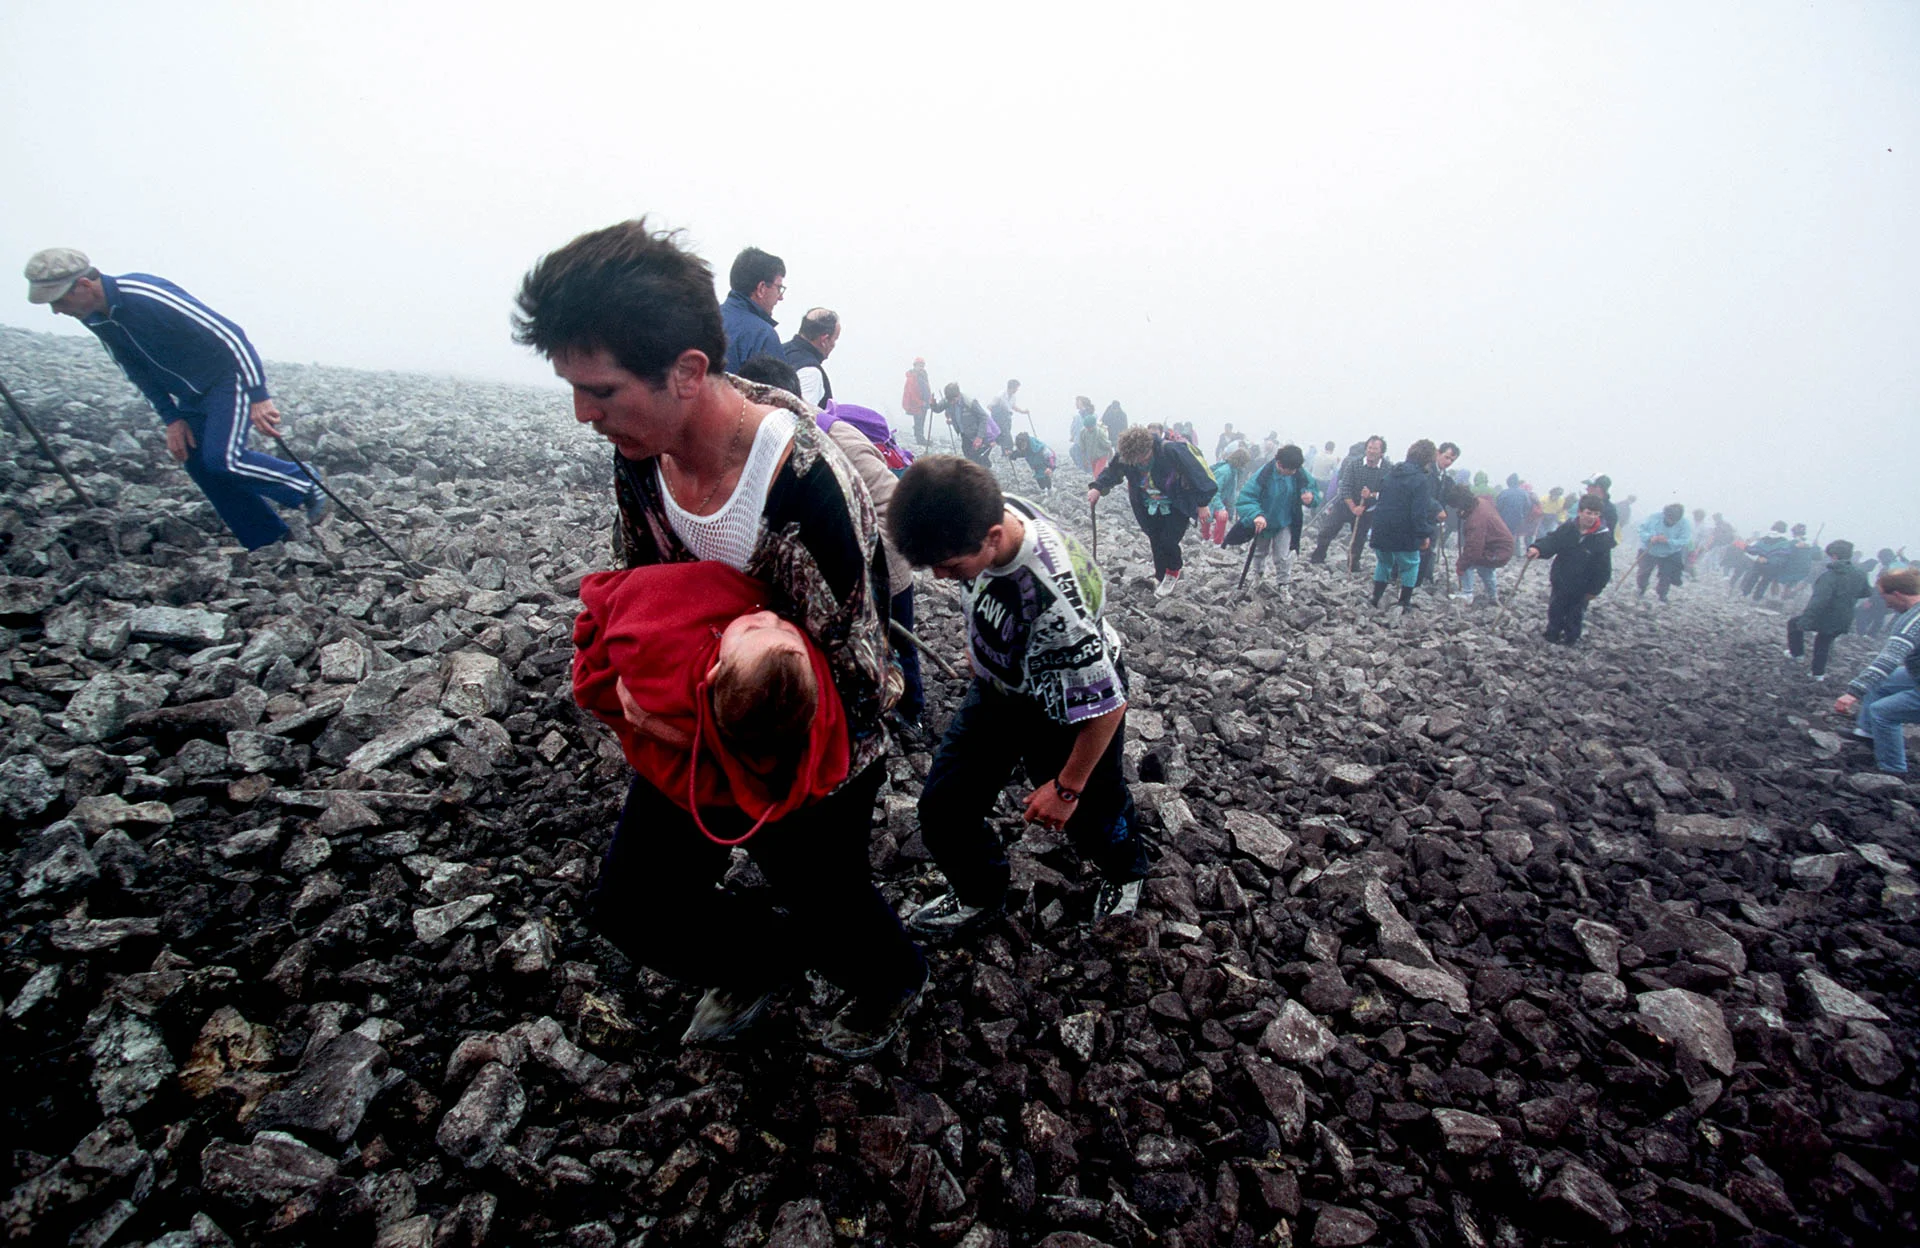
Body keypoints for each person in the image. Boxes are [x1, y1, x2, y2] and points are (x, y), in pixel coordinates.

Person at [513, 219, 924, 1059]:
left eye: (600, 391)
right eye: (575, 391)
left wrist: (707, 734)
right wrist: (642, 689)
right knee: (634, 907)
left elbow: (854, 676)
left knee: (825, 893)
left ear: (689, 371)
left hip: (816, 739)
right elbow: (644, 584)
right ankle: (760, 961)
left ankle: (892, 979)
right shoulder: (643, 446)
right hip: (702, 708)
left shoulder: (802, 488)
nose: (585, 416)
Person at [887, 456, 1148, 935]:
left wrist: (1067, 788)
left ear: (992, 537)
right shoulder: (990, 507)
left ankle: (1126, 871)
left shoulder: (1053, 602)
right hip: (998, 690)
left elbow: (1109, 704)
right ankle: (980, 893)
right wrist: (983, 648)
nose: (942, 578)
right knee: (944, 807)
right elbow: (980, 588)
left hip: (1067, 705)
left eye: (950, 567)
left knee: (1093, 811)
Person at [24, 248, 327, 551]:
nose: (57, 310)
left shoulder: (145, 295)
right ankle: (266, 540)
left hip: (225, 380)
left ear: (84, 285)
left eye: (59, 300)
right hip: (189, 396)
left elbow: (230, 335)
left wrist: (258, 395)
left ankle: (304, 481)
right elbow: (135, 369)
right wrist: (171, 418)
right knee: (198, 463)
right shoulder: (93, 317)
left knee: (224, 459)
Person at [573, 562, 848, 837]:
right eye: (784, 630)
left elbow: (607, 605)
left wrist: (696, 739)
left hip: (691, 784)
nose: (768, 617)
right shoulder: (801, 687)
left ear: (717, 672)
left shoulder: (673, 665)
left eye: (753, 630)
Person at [736, 355, 925, 734]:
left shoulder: (837, 437)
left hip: (885, 567)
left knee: (895, 642)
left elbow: (892, 502)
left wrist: (871, 572)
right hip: (835, 568)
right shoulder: (766, 440)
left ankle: (911, 714)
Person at [1089, 426, 1216, 598]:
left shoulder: (1171, 451)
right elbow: (1113, 472)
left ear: (1150, 447)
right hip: (1146, 504)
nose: (1140, 462)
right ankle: (1160, 576)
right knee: (1155, 539)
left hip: (1176, 504)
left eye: (1143, 458)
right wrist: (1098, 487)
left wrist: (1202, 504)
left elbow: (1199, 474)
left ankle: (1173, 571)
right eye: (1136, 461)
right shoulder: (1127, 456)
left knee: (1168, 540)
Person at [1833, 568, 1920, 777]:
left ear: (1898, 594)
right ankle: (1867, 733)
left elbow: (1889, 659)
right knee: (1881, 682)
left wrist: (1853, 692)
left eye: (1884, 597)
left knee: (1883, 712)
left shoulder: (1911, 622)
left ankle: (1893, 772)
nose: (1885, 603)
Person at [1525, 495, 1614, 644]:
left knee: (1575, 613)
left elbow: (1604, 568)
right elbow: (1553, 541)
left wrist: (1595, 590)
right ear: (1580, 512)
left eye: (1596, 514)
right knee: (1555, 608)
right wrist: (1538, 548)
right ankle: (1552, 635)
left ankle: (1571, 639)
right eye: (1588, 513)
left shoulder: (1602, 537)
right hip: (1561, 578)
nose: (1592, 517)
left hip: (1583, 585)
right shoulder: (1569, 527)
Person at [1234, 444, 1318, 595]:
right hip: (1264, 521)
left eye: (1295, 470)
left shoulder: (1298, 473)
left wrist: (1311, 498)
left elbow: (1313, 489)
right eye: (1290, 470)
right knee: (1259, 552)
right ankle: (1257, 577)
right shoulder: (1264, 475)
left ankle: (1283, 584)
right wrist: (1256, 514)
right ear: (1279, 464)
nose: (1293, 473)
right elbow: (1246, 498)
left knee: (1283, 555)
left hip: (1285, 522)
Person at [1368, 440, 1438, 611]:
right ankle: (1404, 602)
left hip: (1382, 526)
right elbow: (1418, 512)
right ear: (1428, 459)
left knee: (1384, 562)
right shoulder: (1420, 480)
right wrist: (1424, 533)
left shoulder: (1391, 473)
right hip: (1404, 531)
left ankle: (1375, 597)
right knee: (1411, 564)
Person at [1787, 541, 1871, 681]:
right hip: (1845, 616)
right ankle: (1818, 674)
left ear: (1834, 556)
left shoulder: (1830, 576)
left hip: (1826, 614)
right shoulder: (1861, 574)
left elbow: (1819, 600)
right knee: (1824, 642)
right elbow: (1866, 592)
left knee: (1794, 624)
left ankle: (1797, 654)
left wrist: (1807, 619)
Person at [1309, 436, 1387, 569]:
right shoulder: (1354, 464)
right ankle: (1318, 557)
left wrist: (1371, 495)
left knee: (1359, 538)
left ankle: (1353, 563)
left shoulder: (1386, 468)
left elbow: (1386, 491)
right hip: (1345, 504)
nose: (1371, 451)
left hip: (1367, 509)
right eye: (1369, 448)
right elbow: (1345, 487)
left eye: (1375, 449)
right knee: (1327, 530)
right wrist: (1353, 507)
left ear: (1381, 452)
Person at [719, 246, 785, 372]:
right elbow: (778, 391)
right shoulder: (763, 336)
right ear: (761, 288)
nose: (780, 297)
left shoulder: (704, 321)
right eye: (779, 288)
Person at [1452, 478, 1514, 605]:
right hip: (1502, 546)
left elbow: (1473, 550)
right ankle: (1492, 596)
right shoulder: (1481, 502)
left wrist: (1461, 565)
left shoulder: (1476, 521)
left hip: (1496, 550)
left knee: (1469, 564)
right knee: (1485, 568)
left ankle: (1467, 593)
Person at [1418, 442, 1461, 590]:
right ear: (1438, 454)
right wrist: (1437, 508)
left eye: (1452, 460)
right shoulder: (1426, 472)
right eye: (1446, 457)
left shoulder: (1446, 479)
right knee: (1414, 548)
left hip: (1435, 521)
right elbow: (1423, 495)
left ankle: (1425, 578)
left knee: (1430, 550)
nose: (1448, 462)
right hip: (1420, 517)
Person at [1634, 503, 1694, 601]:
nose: (1671, 522)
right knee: (1644, 571)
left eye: (1674, 521)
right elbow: (1641, 530)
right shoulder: (1654, 517)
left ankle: (1662, 595)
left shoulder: (1685, 524)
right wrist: (1650, 537)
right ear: (1665, 514)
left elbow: (1684, 540)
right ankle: (1641, 588)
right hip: (1649, 550)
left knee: (1666, 575)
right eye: (1669, 519)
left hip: (1670, 553)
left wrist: (1668, 541)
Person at [781, 307, 840, 406]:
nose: (834, 345)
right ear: (824, 340)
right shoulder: (810, 372)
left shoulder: (779, 349)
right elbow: (801, 415)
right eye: (835, 339)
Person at [933, 383, 993, 465]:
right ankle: (978, 472)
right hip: (964, 433)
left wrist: (979, 437)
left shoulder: (969, 401)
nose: (951, 403)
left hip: (976, 433)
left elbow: (983, 417)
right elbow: (937, 409)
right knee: (968, 454)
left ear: (958, 395)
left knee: (978, 456)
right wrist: (932, 404)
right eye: (950, 400)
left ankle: (984, 471)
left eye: (953, 400)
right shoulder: (948, 400)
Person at [1206, 446, 1253, 544]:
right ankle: (1214, 541)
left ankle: (1213, 539)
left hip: (1220, 501)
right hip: (1210, 501)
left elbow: (1231, 494)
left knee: (1223, 516)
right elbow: (1214, 491)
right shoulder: (1224, 471)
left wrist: (1231, 510)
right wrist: (1221, 508)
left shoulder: (1234, 471)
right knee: (1221, 516)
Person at [1741, 522, 1793, 599]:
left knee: (1752, 578)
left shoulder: (1765, 539)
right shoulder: (1784, 542)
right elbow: (1783, 557)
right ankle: (1756, 598)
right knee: (1764, 582)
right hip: (1772, 566)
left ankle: (1745, 594)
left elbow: (1753, 550)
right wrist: (1770, 560)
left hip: (1759, 562)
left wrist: (1758, 557)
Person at [988, 380, 1028, 460]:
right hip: (999, 416)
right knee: (1005, 433)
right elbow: (990, 406)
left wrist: (1023, 412)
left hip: (1007, 417)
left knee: (1006, 433)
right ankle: (1008, 450)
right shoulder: (1000, 396)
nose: (1017, 390)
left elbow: (1013, 407)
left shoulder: (1013, 397)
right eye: (1016, 388)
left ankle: (1005, 452)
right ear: (1012, 387)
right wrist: (996, 417)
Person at [1494, 475, 1534, 553]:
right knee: (1515, 535)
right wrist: (1524, 515)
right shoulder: (1524, 493)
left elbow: (1498, 506)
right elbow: (1528, 506)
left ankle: (1503, 551)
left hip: (1504, 518)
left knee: (1504, 534)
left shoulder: (1504, 493)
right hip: (1519, 518)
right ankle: (1515, 551)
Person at [902, 357, 935, 446]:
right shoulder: (912, 377)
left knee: (921, 420)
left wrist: (929, 400)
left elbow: (926, 389)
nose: (921, 367)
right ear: (915, 366)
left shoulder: (923, 375)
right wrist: (920, 402)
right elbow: (912, 393)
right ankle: (920, 439)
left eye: (922, 365)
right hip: (916, 404)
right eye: (919, 365)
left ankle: (921, 438)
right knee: (918, 420)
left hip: (924, 402)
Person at [1076, 407, 1113, 479]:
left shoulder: (1100, 432)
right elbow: (1082, 447)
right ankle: (1100, 486)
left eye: (1090, 427)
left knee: (1098, 474)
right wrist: (1084, 460)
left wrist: (1110, 455)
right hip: (1092, 457)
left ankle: (1099, 488)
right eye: (1087, 427)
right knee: (1095, 473)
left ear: (1094, 425)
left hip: (1102, 455)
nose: (1088, 429)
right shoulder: (1083, 432)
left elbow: (1107, 445)